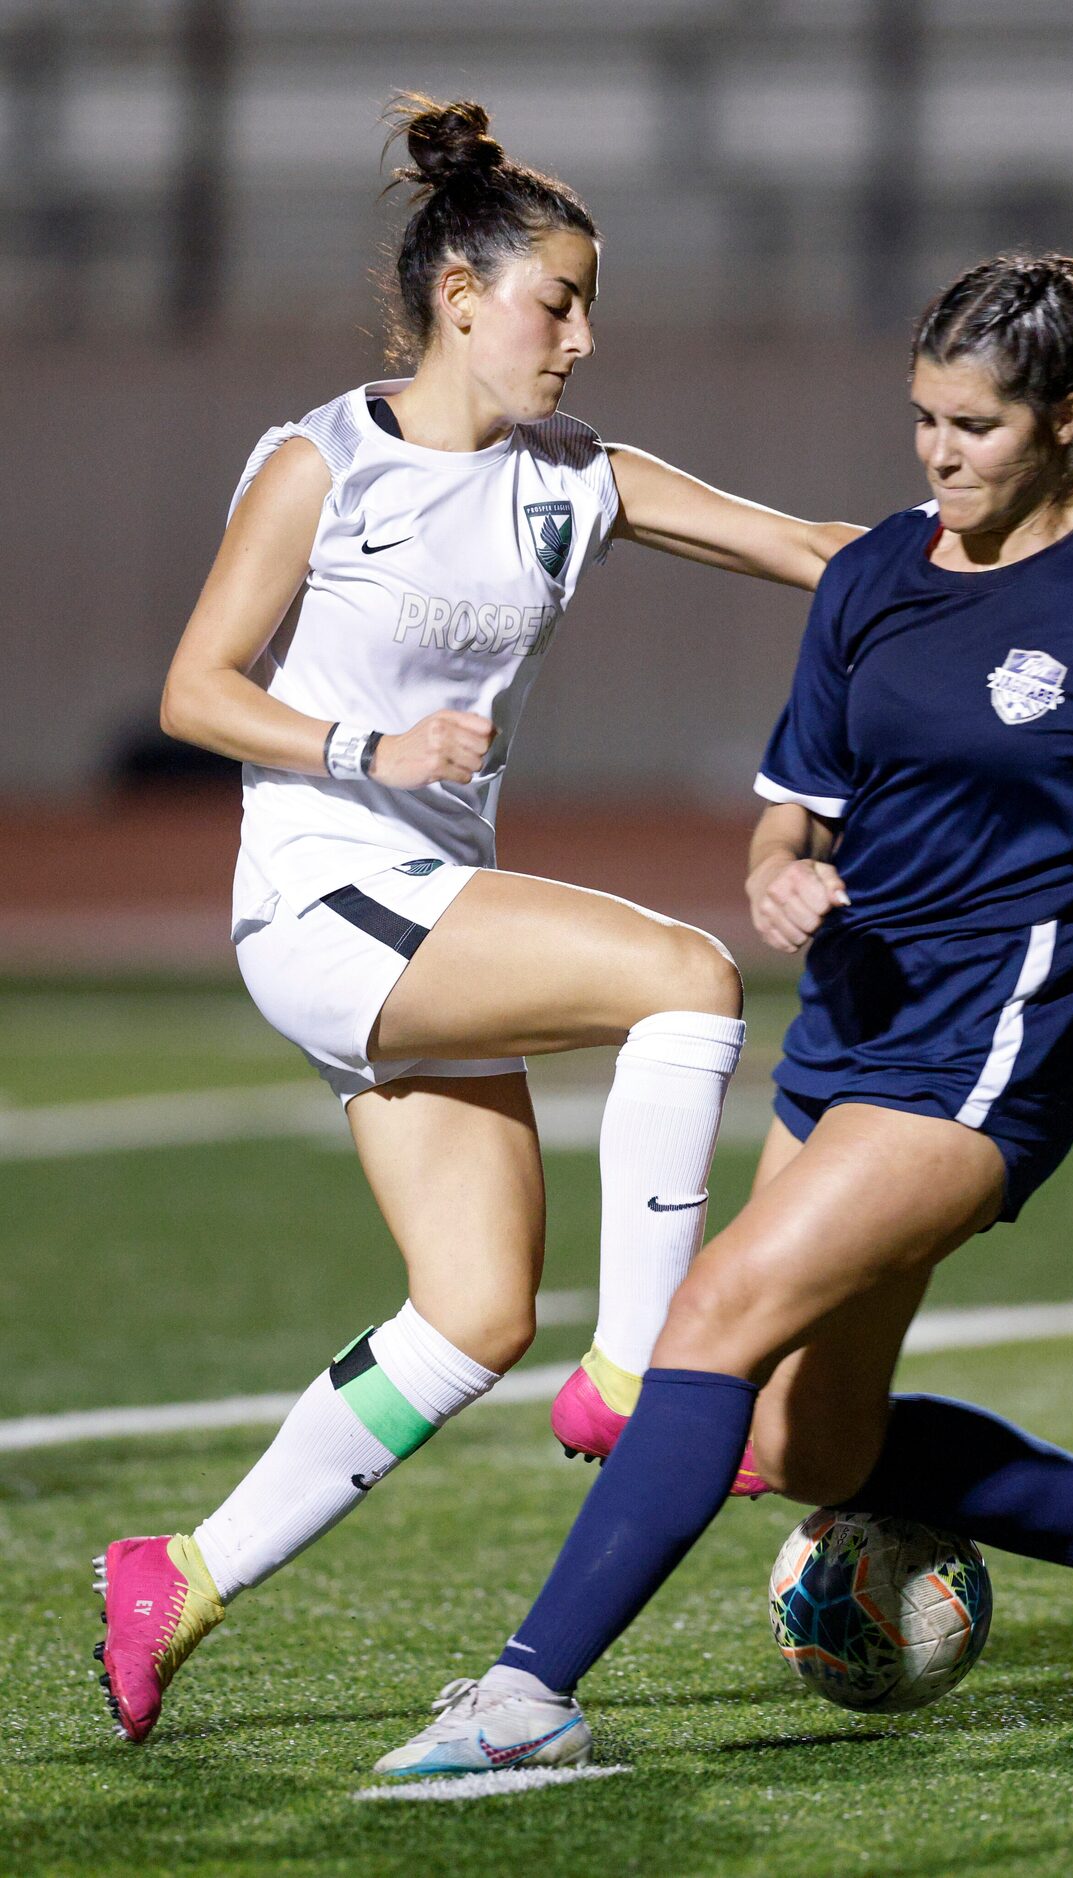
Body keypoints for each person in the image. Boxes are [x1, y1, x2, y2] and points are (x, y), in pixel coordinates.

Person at [373, 251, 1073, 1779]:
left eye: (976, 427)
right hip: (848, 1031)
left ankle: (524, 1690)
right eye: (922, 420)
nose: (939, 456)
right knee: (807, 1447)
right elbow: (786, 815)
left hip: (988, 1052)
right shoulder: (875, 571)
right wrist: (780, 875)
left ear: (1066, 419)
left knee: (711, 1313)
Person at [92, 94, 863, 1746]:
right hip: (323, 894)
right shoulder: (328, 461)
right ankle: (647, 1372)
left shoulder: (576, 477)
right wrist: (373, 746)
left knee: (470, 1315)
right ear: (460, 293)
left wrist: (1003, 563)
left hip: (418, 911)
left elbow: (806, 545)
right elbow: (192, 690)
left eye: (587, 307)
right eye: (557, 300)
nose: (581, 338)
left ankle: (181, 1571)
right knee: (682, 976)